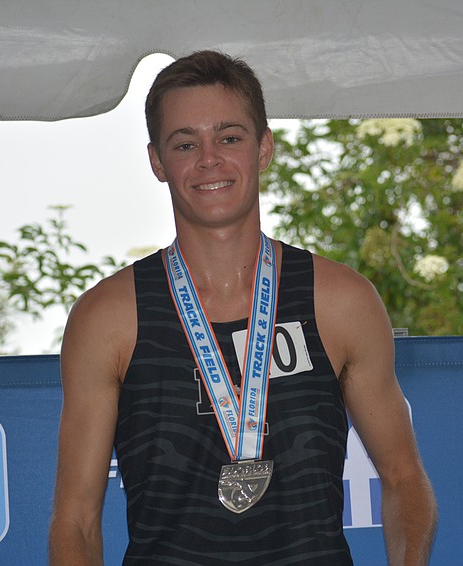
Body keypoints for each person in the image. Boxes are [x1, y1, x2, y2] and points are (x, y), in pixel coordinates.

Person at [49, 50, 437, 565]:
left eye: (229, 138)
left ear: (264, 148)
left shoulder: (342, 302)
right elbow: (75, 520)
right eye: (185, 144)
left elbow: (404, 477)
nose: (209, 159)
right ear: (158, 162)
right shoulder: (107, 318)